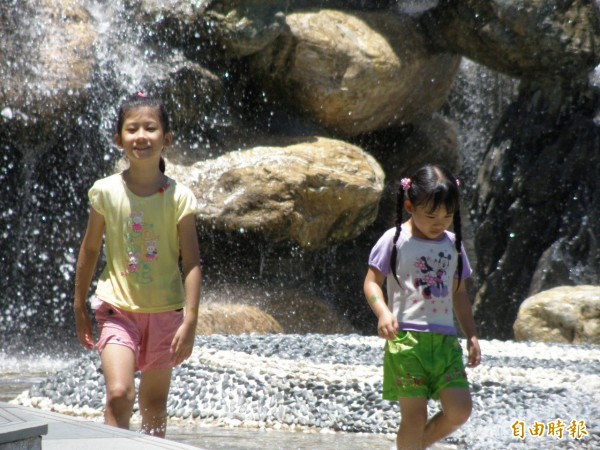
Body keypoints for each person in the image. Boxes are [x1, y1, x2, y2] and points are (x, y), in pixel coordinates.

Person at [73, 93, 202, 437]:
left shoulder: (180, 197)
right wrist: (78, 305)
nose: (141, 136)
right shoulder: (105, 192)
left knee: (155, 405)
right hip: (117, 310)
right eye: (132, 129)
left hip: (166, 314)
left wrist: (190, 319)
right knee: (119, 394)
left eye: (150, 128)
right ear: (119, 140)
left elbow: (191, 262)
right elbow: (89, 249)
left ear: (166, 139)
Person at [363, 164, 481, 450]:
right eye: (431, 215)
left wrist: (472, 335)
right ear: (408, 205)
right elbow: (371, 283)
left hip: (445, 343)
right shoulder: (394, 240)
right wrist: (384, 313)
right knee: (414, 418)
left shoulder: (453, 245)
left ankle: (412, 446)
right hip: (406, 342)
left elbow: (460, 294)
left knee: (460, 410)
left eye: (448, 215)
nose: (439, 222)